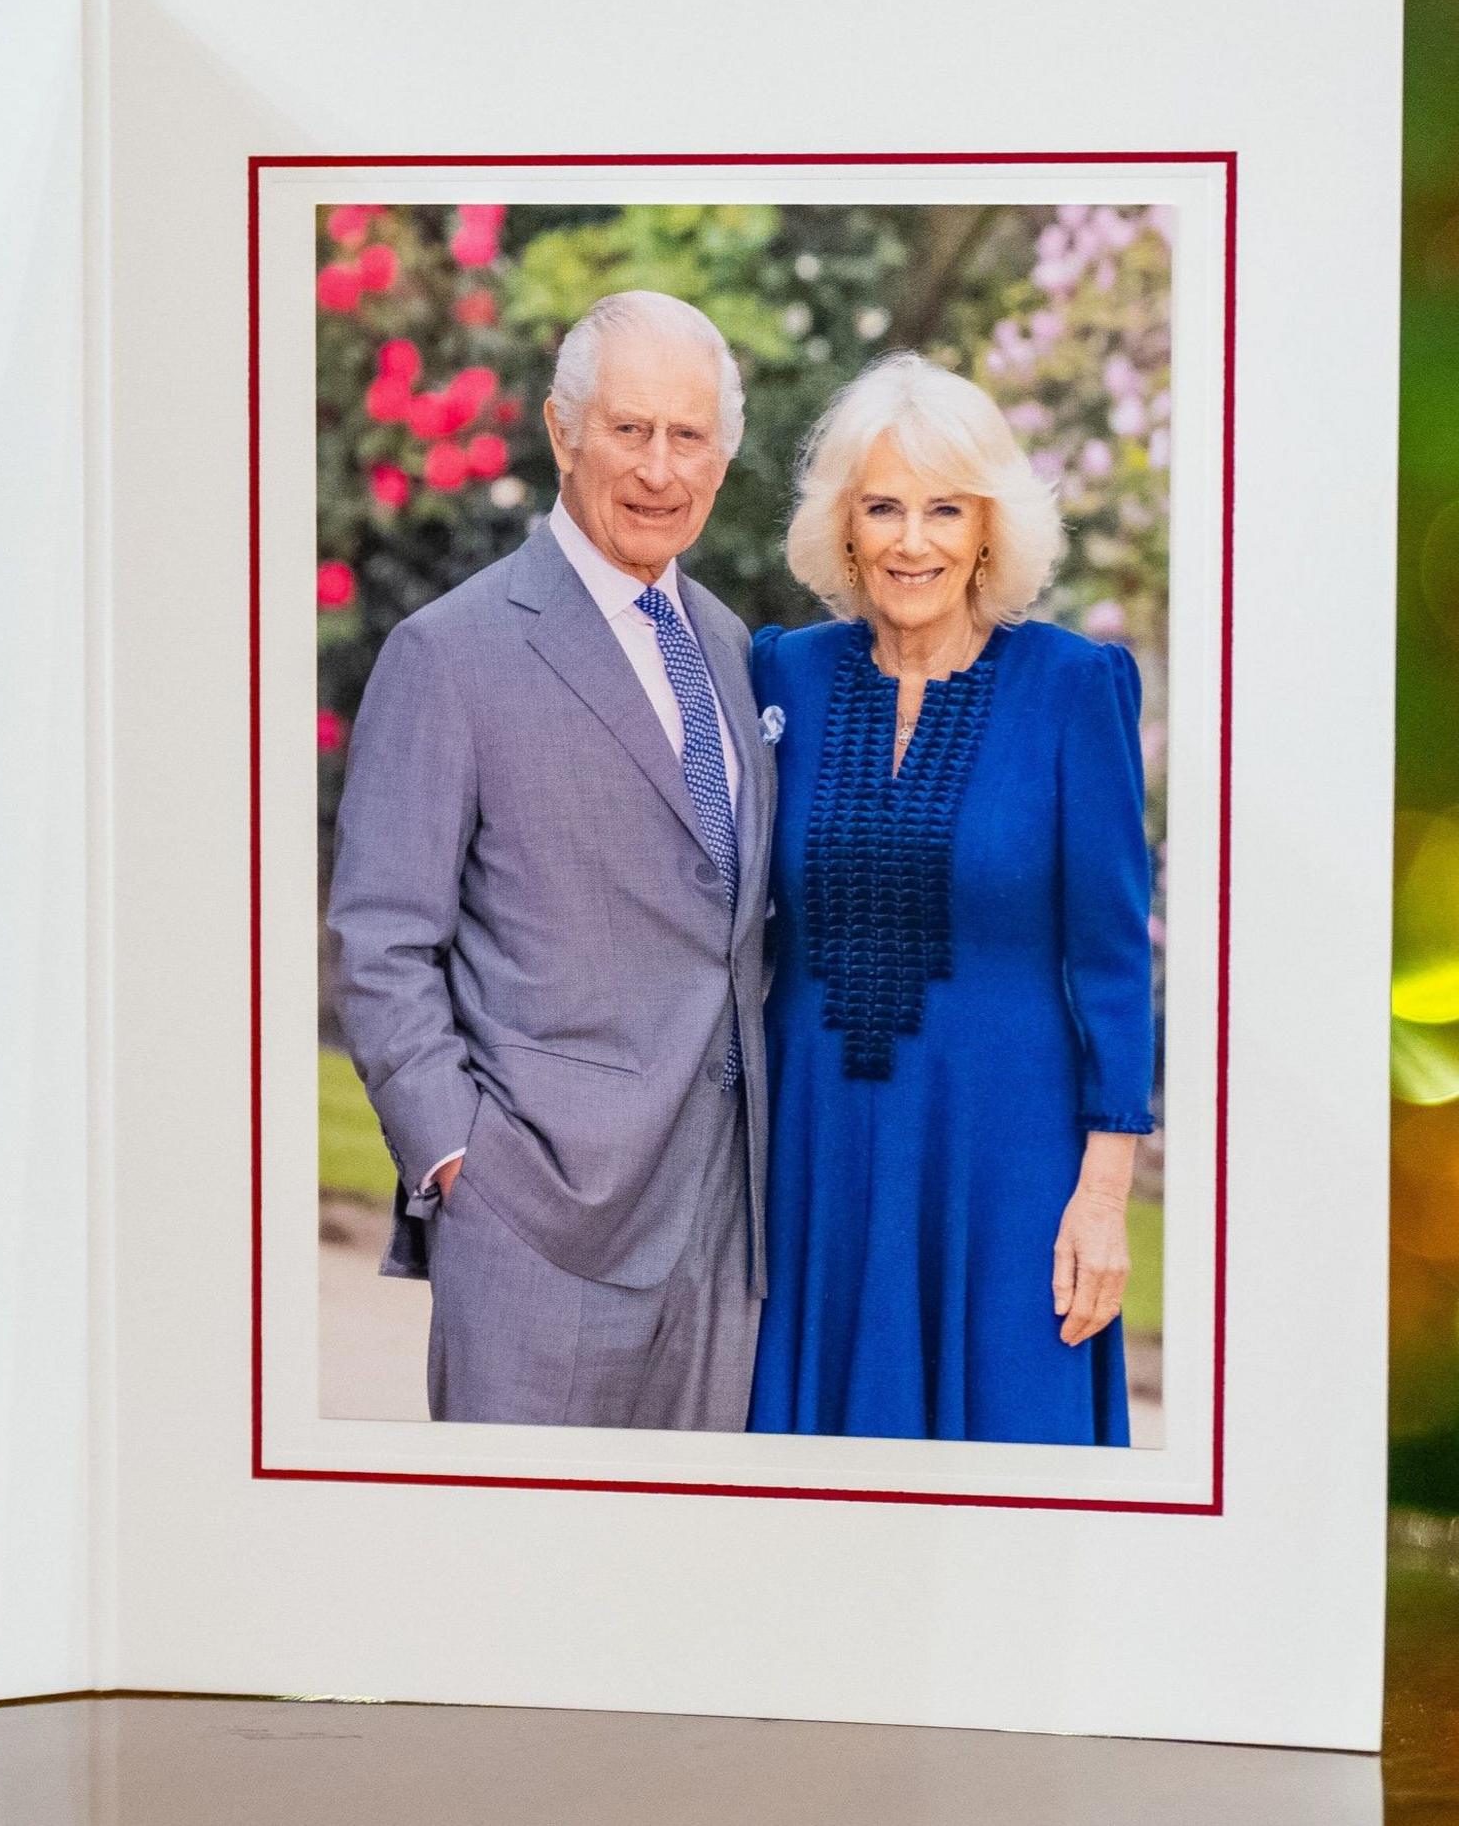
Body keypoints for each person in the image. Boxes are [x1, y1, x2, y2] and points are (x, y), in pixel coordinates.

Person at [327, 290, 775, 1431]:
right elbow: (381, 939)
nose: (660, 469)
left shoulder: (729, 647)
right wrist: (454, 1163)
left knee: (685, 1586)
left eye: (688, 437)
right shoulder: (449, 653)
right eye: (630, 430)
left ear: (721, 457)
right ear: (561, 430)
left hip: (725, 1231)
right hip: (535, 1228)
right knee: (512, 1583)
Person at [745, 351, 1155, 1446]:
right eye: (882, 506)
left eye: (943, 509)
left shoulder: (1074, 687)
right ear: (843, 526)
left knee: (1009, 1498)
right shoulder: (780, 674)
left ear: (989, 528)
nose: (911, 540)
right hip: (817, 1157)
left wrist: (1103, 1196)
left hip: (1008, 1168)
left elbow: (1115, 961)